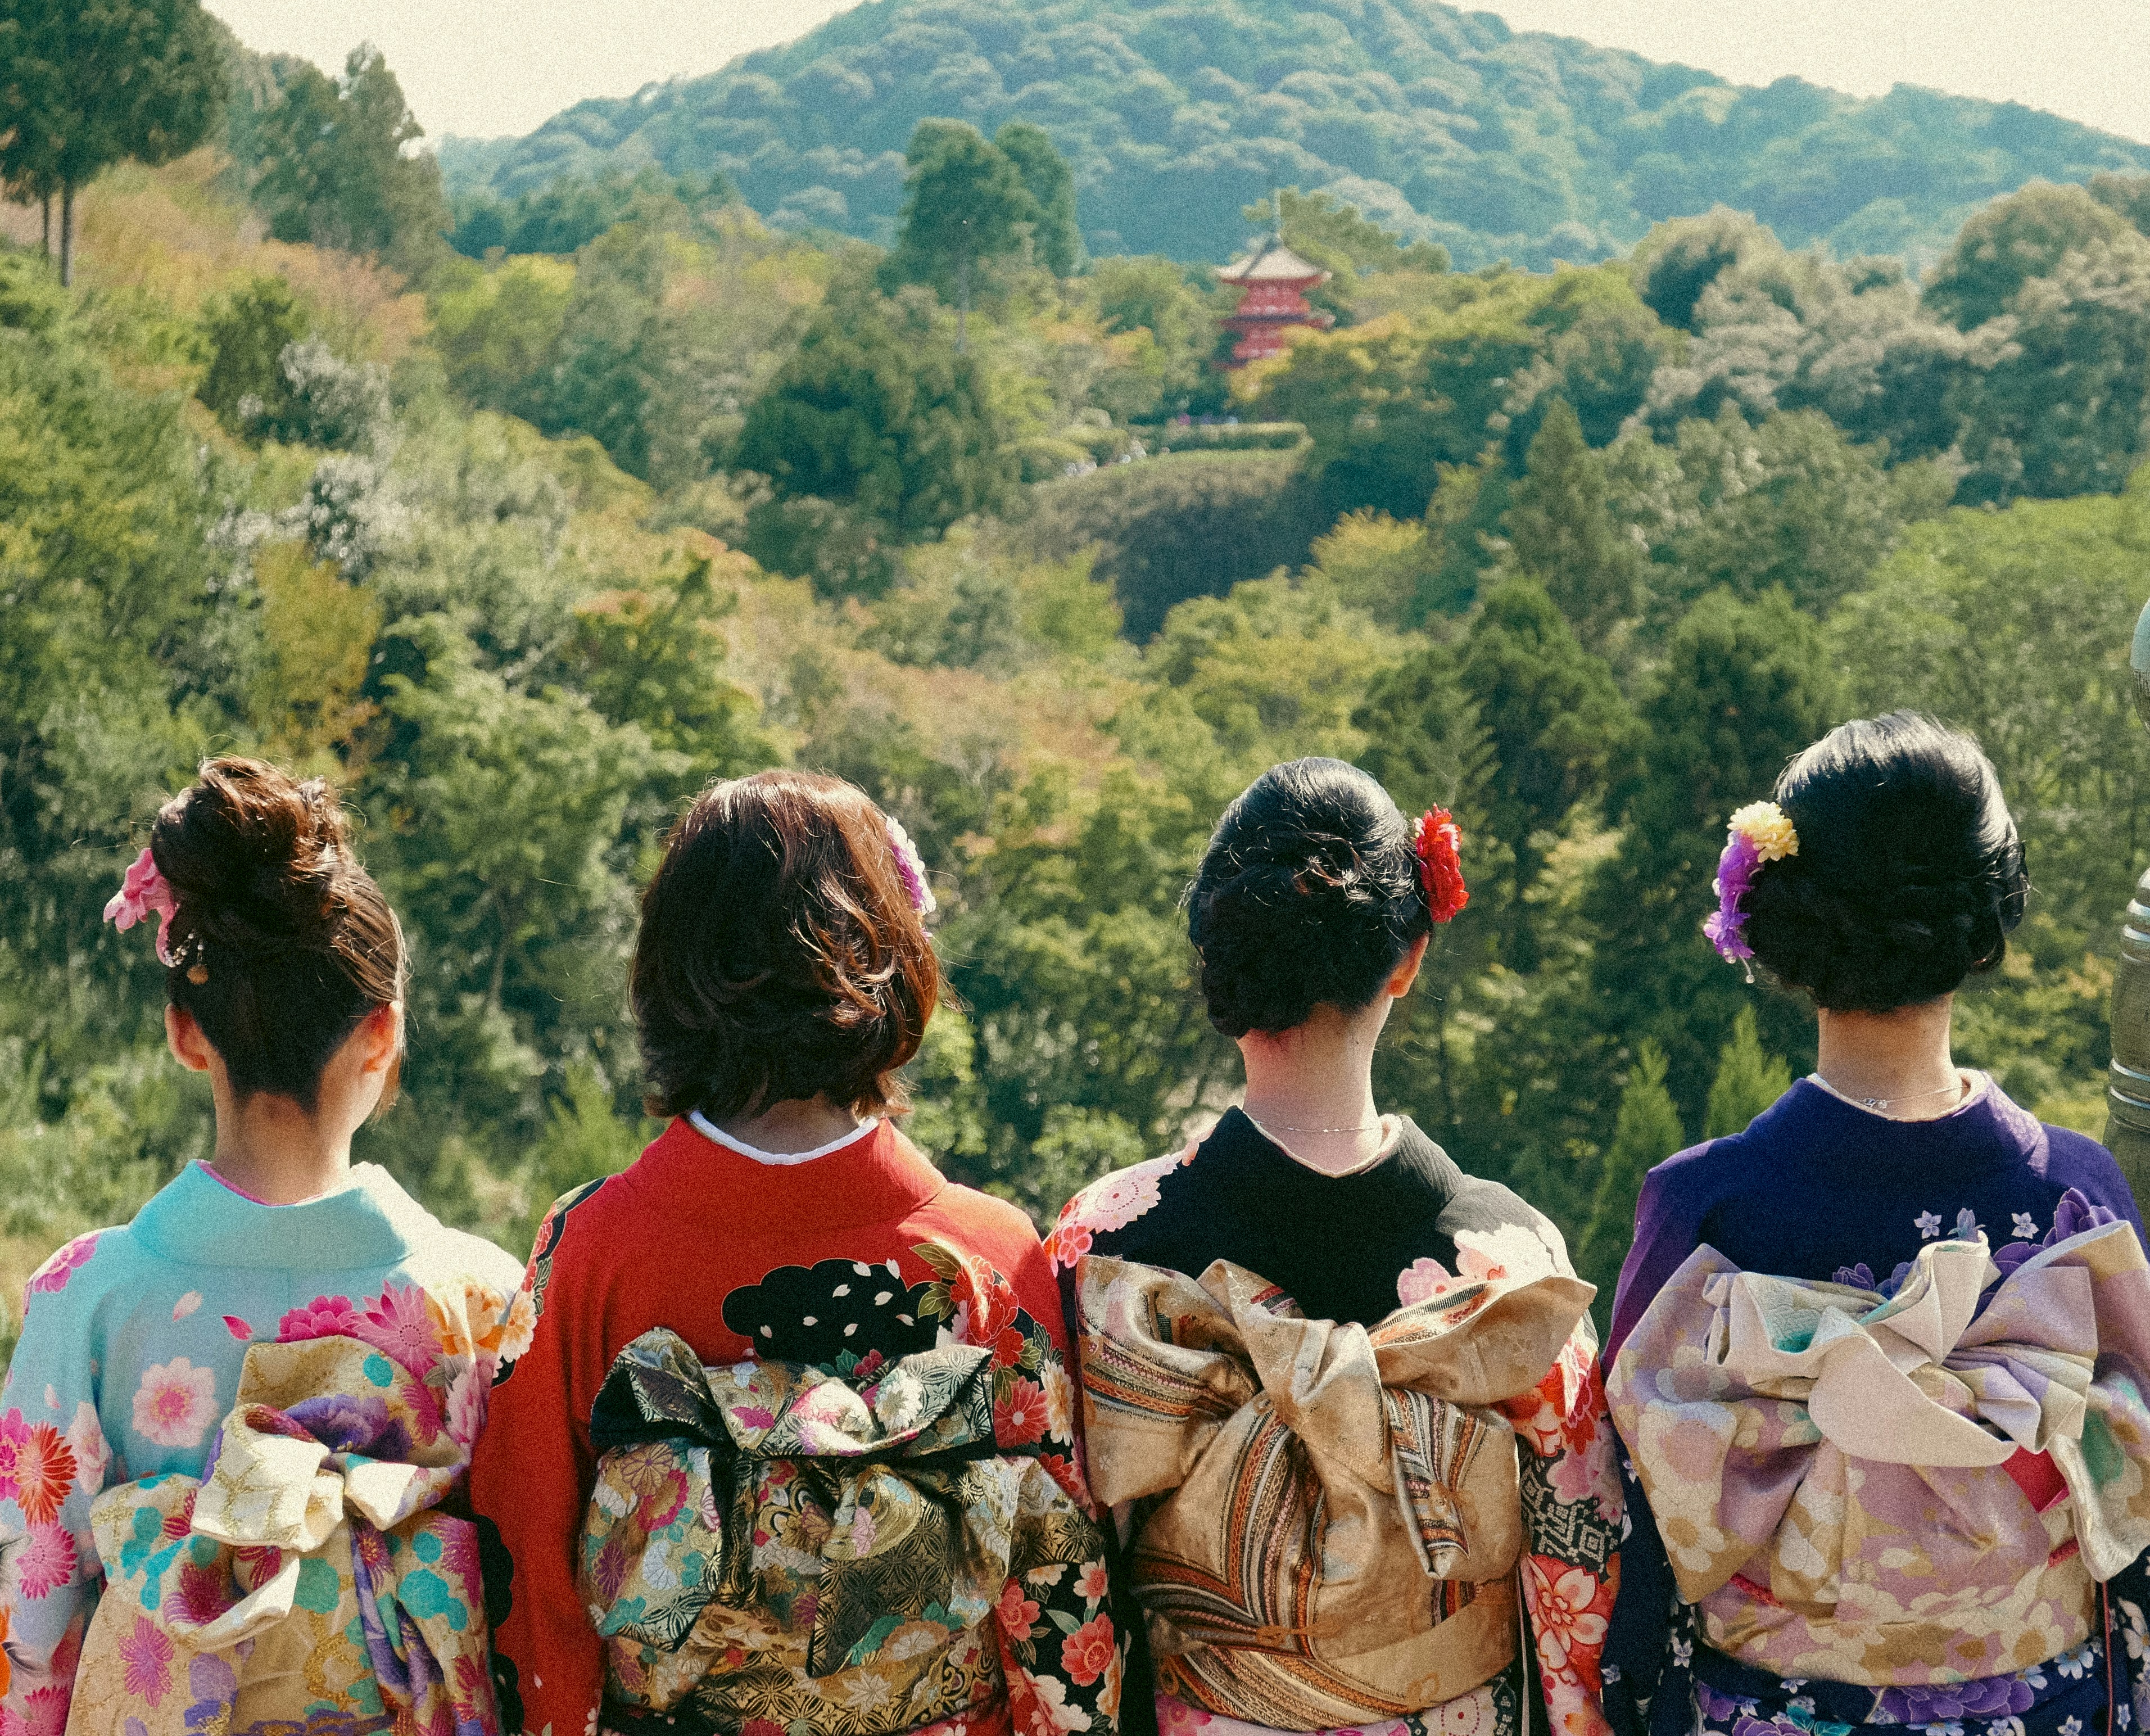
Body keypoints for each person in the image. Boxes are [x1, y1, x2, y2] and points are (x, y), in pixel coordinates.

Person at [473, 770, 1122, 1736]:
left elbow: (524, 1557)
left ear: (668, 975)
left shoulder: (593, 1250)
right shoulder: (985, 1257)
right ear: (892, 965)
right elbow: (1054, 1589)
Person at [1601, 712, 2150, 1736]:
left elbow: (1626, 1499)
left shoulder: (1706, 1207)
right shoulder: (2078, 1201)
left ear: (1786, 915)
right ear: (1990, 910)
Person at [1052, 757, 1621, 1736]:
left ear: (1215, 961)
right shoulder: (1508, 1253)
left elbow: (1067, 1556)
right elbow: (1579, 1544)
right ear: (1406, 960)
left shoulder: (1112, 1238)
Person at [0, 757, 525, 1735]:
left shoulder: (91, 1296)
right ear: (382, 1034)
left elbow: (31, 1616)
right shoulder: (486, 1297)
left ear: (185, 1034)